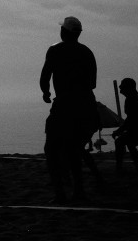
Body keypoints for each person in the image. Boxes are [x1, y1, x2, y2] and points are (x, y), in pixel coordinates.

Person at [39, 16, 98, 203]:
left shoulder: (55, 50)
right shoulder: (87, 52)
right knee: (74, 150)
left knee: (51, 149)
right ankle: (78, 192)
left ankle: (60, 194)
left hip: (65, 104)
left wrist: (46, 93)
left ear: (64, 31)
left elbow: (45, 76)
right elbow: (92, 83)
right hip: (86, 105)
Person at [113, 78, 138, 173]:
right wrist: (122, 130)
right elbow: (131, 120)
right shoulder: (133, 98)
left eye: (122, 86)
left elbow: (131, 119)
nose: (120, 88)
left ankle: (119, 168)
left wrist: (119, 131)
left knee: (120, 142)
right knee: (129, 144)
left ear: (128, 88)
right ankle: (137, 167)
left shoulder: (132, 99)